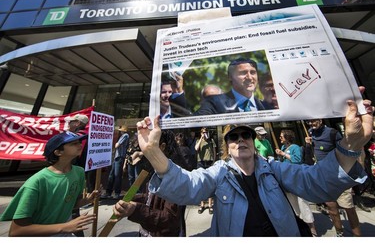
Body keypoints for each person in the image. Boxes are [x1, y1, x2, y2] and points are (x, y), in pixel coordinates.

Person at [134, 86, 373, 236]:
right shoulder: (218, 174)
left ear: (253, 139)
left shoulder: (276, 170)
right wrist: (154, 152)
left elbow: (317, 183)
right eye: (233, 136)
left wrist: (351, 144)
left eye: (245, 134)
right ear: (227, 145)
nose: (240, 140)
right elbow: (188, 186)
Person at [0, 131, 98, 236]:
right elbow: (16, 231)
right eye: (73, 143)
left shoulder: (79, 172)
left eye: (79, 142)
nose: (79, 145)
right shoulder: (37, 182)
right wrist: (65, 227)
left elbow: (69, 204)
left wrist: (85, 201)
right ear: (58, 152)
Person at [112, 130, 188, 237]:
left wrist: (136, 210)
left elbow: (169, 220)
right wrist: (132, 199)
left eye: (148, 145)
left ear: (162, 147)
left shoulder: (175, 178)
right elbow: (151, 198)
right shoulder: (155, 169)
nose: (143, 150)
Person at [305, 118, 363, 236]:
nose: (311, 124)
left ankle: (358, 237)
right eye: (308, 122)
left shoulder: (332, 133)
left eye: (313, 121)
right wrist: (307, 145)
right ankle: (339, 233)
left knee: (348, 207)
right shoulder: (310, 132)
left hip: (339, 175)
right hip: (324, 176)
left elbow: (344, 150)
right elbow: (309, 154)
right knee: (331, 207)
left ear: (320, 120)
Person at [275, 129, 318, 236]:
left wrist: (284, 154)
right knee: (293, 204)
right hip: (287, 178)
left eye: (281, 136)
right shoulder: (283, 147)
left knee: (302, 203)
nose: (280, 138)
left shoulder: (295, 147)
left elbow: (297, 160)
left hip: (297, 178)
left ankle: (312, 228)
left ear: (287, 137)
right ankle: (301, 225)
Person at [194, 58, 267, 115]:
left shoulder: (266, 106)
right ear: (230, 77)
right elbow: (193, 123)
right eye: (243, 73)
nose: (250, 77)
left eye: (253, 72)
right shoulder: (214, 102)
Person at [101, 126, 130, 199]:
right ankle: (108, 192)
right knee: (112, 175)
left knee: (117, 175)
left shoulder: (125, 135)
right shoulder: (123, 136)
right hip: (117, 157)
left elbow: (117, 145)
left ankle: (117, 193)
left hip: (120, 157)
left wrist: (116, 143)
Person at [195, 127, 216, 214]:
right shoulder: (198, 141)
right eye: (203, 132)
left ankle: (210, 204)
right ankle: (202, 204)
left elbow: (214, 151)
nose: (205, 133)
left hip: (209, 162)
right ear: (200, 133)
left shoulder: (211, 140)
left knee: (210, 183)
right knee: (201, 183)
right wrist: (201, 138)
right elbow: (196, 149)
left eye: (206, 131)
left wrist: (214, 161)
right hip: (201, 162)